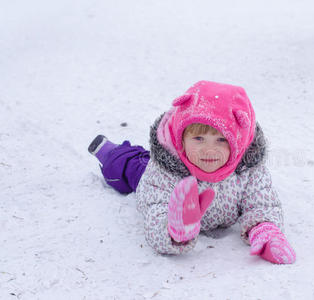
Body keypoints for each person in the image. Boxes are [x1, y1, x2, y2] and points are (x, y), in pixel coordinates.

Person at [88, 80, 296, 264]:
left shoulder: (247, 169)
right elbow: (154, 209)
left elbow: (261, 202)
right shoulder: (164, 170)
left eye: (222, 140)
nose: (209, 149)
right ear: (181, 138)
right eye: (198, 139)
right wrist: (173, 229)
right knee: (132, 166)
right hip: (160, 171)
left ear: (238, 141)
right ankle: (112, 154)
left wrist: (265, 230)